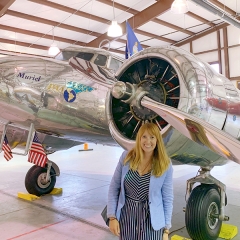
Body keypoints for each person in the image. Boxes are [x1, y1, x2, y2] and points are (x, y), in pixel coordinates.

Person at [107, 123, 173, 240]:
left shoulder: (165, 165)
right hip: (127, 216)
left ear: (157, 140)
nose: (148, 141)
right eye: (144, 137)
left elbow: (167, 198)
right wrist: (112, 217)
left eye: (152, 137)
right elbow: (114, 188)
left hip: (152, 220)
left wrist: (166, 229)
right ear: (139, 138)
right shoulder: (126, 157)